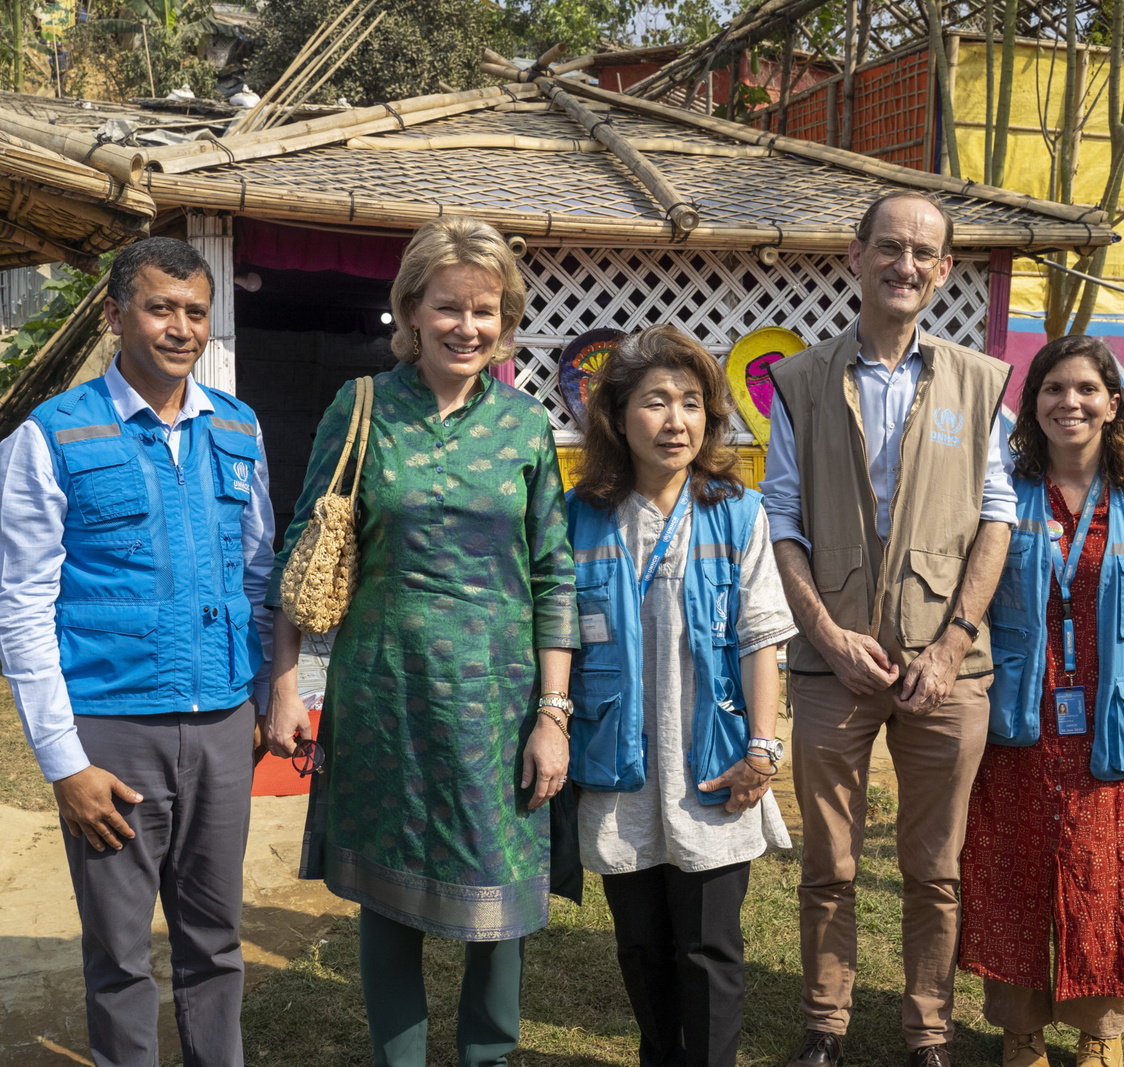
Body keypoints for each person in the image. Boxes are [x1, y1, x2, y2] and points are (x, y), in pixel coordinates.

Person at [262, 214, 577, 1067]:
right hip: (385, 693)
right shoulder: (362, 407)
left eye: (484, 310)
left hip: (498, 706)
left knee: (499, 902)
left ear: (505, 319)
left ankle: (488, 1057)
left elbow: (554, 574)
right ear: (410, 309)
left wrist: (552, 715)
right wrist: (285, 684)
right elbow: (305, 546)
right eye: (448, 306)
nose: (466, 326)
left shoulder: (525, 426)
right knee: (388, 897)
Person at [0, 237, 275, 1067]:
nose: (181, 328)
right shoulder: (53, 435)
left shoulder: (238, 425)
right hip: (112, 736)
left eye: (195, 311)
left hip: (222, 725)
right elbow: (20, 603)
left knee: (216, 941)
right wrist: (63, 761)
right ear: (116, 315)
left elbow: (258, 571)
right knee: (119, 954)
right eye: (160, 308)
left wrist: (258, 696)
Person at [761, 190, 1016, 1067]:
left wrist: (952, 644)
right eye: (890, 247)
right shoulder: (800, 381)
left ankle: (927, 1034)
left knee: (935, 866)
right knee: (828, 863)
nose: (905, 265)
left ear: (942, 271)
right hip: (831, 662)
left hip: (948, 666)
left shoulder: (978, 382)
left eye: (923, 253)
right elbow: (782, 518)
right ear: (857, 254)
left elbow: (996, 517)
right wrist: (827, 635)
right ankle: (824, 1027)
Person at [566, 325, 798, 1067]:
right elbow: (556, 635)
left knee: (709, 947)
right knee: (641, 946)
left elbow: (762, 638)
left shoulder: (738, 511)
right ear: (617, 416)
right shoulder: (580, 515)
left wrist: (762, 750)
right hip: (619, 763)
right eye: (656, 402)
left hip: (713, 761)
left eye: (692, 402)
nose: (676, 421)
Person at [959, 334, 1124, 1067]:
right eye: (1053, 389)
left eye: (1087, 389)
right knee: (1011, 878)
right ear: (1033, 406)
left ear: (1113, 404)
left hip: (1111, 733)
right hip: (1018, 723)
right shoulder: (1000, 495)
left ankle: (1100, 1035)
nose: (1070, 402)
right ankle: (1019, 1030)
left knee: (1106, 884)